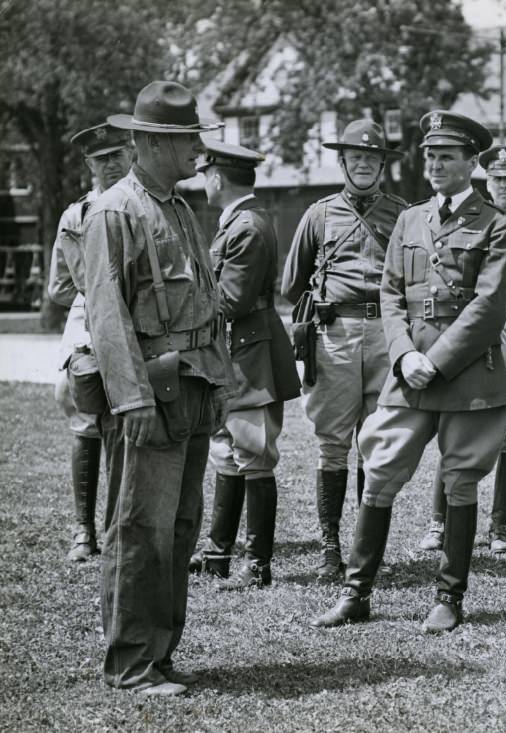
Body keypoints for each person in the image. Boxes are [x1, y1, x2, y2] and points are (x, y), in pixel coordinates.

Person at [310, 110, 506, 633]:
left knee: (461, 481)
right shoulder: (410, 219)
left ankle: (449, 597)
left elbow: (489, 307)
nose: (437, 164)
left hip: (466, 374)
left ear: (473, 163)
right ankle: (356, 593)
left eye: (448, 156)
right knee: (378, 473)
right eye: (431, 155)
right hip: (408, 370)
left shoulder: (496, 224)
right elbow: (391, 294)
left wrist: (436, 360)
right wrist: (403, 355)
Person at [82, 81, 233, 696]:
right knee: (139, 528)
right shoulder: (115, 211)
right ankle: (132, 663)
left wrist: (220, 384)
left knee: (179, 527)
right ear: (147, 142)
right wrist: (132, 397)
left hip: (193, 387)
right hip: (151, 393)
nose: (197, 149)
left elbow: (206, 305)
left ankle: (161, 653)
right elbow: (106, 315)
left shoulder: (177, 206)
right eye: (185, 139)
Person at [418, 144, 506, 554]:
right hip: (468, 342)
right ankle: (438, 523)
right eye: (497, 180)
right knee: (455, 431)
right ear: (486, 181)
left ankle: (500, 527)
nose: (504, 187)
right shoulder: (468, 221)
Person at [281, 119, 406, 580]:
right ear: (342, 162)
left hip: (386, 334)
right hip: (335, 334)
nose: (364, 164)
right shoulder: (319, 214)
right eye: (356, 157)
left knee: (378, 443)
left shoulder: (401, 214)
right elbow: (291, 283)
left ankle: (365, 547)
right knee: (332, 443)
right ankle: (330, 547)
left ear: (382, 165)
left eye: (372, 158)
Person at [188, 141, 300, 589]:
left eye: (205, 174)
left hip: (249, 354)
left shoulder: (247, 226)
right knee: (227, 454)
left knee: (254, 454)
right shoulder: (238, 221)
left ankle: (258, 566)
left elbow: (230, 300)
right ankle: (218, 556)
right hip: (235, 353)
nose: (203, 182)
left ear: (218, 177)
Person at [47, 123, 132, 561]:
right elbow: (58, 287)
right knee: (84, 420)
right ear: (89, 165)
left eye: (117, 154)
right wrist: (93, 294)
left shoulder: (144, 204)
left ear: (131, 155)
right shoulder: (75, 215)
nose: (110, 164)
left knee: (124, 422)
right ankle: (83, 530)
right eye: (101, 159)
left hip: (138, 325)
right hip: (87, 324)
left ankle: (117, 526)